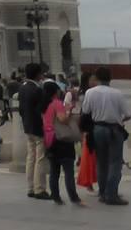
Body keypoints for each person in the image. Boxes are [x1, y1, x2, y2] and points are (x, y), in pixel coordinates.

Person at [80, 65, 131, 205]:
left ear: (96, 78)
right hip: (115, 129)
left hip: (98, 128)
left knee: (101, 162)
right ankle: (112, 194)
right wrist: (118, 120)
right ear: (110, 78)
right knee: (115, 163)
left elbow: (86, 111)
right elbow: (128, 115)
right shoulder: (117, 93)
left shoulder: (90, 93)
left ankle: (102, 193)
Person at [43, 80, 84, 206]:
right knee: (68, 170)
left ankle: (55, 196)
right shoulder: (57, 103)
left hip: (48, 139)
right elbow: (62, 119)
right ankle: (73, 196)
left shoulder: (43, 105)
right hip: (61, 139)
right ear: (56, 91)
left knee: (54, 171)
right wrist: (69, 112)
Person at [19, 62, 51, 199]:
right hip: (38, 127)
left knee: (30, 157)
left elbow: (21, 109)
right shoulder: (38, 90)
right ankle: (40, 189)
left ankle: (30, 187)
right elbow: (43, 110)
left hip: (27, 126)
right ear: (38, 74)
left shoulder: (22, 87)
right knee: (40, 158)